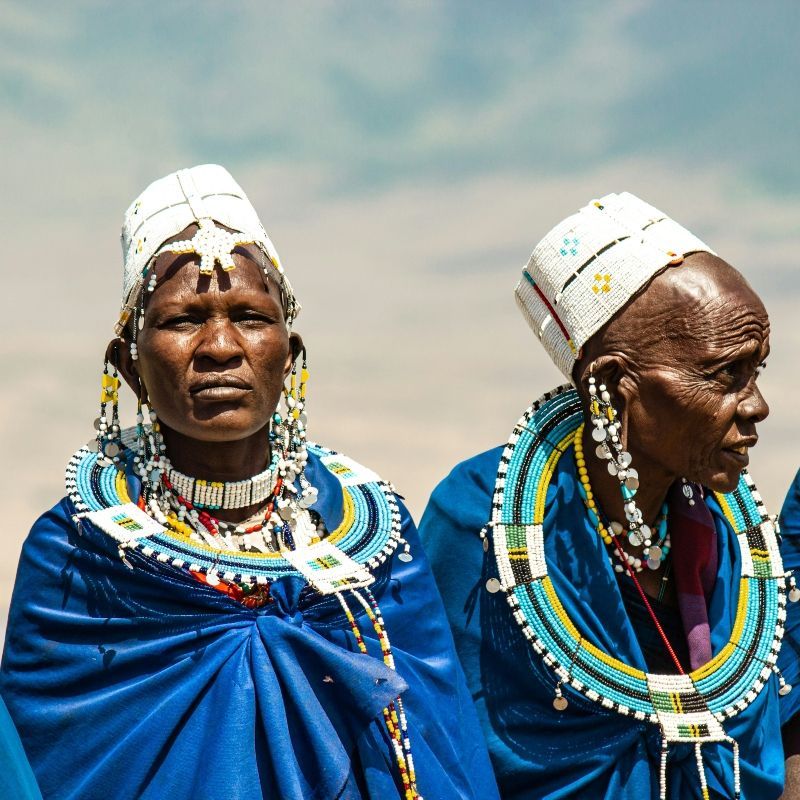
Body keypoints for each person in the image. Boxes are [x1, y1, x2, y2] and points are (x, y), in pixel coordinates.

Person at [0, 164, 498, 800]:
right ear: (128, 364)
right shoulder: (75, 556)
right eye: (182, 320)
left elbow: (440, 753)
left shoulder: (378, 543)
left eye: (249, 316)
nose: (220, 346)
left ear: (289, 354)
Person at [419, 192, 800, 799]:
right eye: (725, 374)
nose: (757, 406)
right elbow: (442, 749)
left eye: (756, 372)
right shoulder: (482, 523)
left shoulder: (725, 538)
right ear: (614, 384)